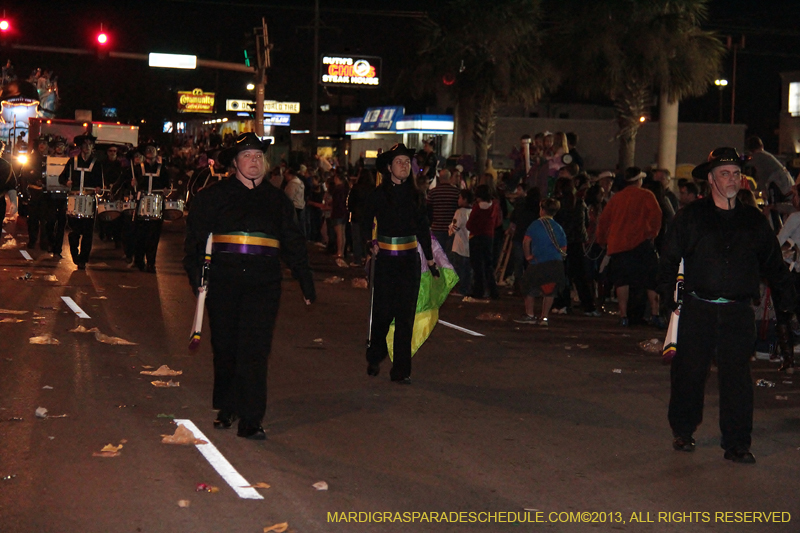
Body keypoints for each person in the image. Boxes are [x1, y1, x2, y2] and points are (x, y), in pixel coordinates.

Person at [658, 147, 795, 464]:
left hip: (737, 312)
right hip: (696, 308)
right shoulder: (691, 217)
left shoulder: (752, 220)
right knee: (689, 374)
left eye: (736, 173)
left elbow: (773, 263)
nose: (732, 178)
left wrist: (788, 301)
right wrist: (670, 299)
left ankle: (737, 444)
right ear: (710, 179)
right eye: (724, 173)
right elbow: (668, 260)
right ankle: (683, 430)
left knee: (737, 380)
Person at [183, 132, 315, 440]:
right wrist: (196, 277)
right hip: (224, 281)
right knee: (226, 348)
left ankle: (251, 419)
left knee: (255, 350)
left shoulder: (277, 200)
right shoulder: (213, 196)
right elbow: (195, 241)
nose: (253, 161)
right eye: (247, 156)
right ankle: (228, 406)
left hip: (263, 283)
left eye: (258, 156)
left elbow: (293, 242)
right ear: (234, 163)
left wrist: (305, 279)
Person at [363, 143, 435, 384]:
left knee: (406, 317)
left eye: (407, 162)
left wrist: (431, 258)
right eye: (399, 162)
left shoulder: (416, 194)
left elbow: (423, 227)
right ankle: (375, 355)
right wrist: (369, 242)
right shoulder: (378, 194)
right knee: (382, 314)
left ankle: (401, 370)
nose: (404, 166)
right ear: (389, 168)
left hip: (408, 262)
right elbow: (365, 220)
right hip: (385, 262)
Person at [596, 167, 663, 327]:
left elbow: (604, 221)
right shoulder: (647, 195)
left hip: (618, 245)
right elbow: (656, 216)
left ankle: (623, 315)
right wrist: (651, 233)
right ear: (639, 180)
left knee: (622, 282)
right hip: (641, 243)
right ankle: (655, 313)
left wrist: (602, 240)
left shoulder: (617, 198)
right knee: (651, 280)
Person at [515, 198, 567, 326]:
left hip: (538, 262)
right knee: (549, 290)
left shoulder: (535, 225)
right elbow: (564, 248)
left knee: (528, 287)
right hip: (555, 262)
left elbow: (526, 241)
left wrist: (528, 256)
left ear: (542, 210)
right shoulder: (559, 227)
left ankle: (530, 314)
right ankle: (544, 317)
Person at [58, 134, 104, 269]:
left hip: (89, 200)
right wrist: (67, 182)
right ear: (80, 147)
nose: (87, 147)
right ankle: (74, 251)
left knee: (88, 231)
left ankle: (83, 259)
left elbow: (101, 186)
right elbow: (61, 178)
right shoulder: (72, 162)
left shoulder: (97, 164)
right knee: (75, 230)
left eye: (89, 145)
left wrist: (98, 189)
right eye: (84, 145)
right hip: (74, 199)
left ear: (92, 147)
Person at [132, 143, 168, 272]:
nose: (150, 151)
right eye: (148, 149)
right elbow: (129, 185)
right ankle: (139, 261)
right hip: (141, 203)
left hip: (156, 205)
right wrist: (133, 184)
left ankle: (151, 262)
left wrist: (166, 190)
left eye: (153, 149)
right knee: (140, 234)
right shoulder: (137, 168)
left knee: (154, 235)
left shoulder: (163, 169)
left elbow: (168, 185)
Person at [466, 184, 501, 300]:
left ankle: (478, 290)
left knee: (477, 266)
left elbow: (469, 224)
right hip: (489, 237)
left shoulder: (477, 208)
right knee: (488, 265)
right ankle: (493, 291)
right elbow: (497, 223)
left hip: (476, 237)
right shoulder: (495, 206)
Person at [427, 168, 461, 257]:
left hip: (437, 227)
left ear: (439, 178)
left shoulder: (432, 192)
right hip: (452, 228)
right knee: (449, 255)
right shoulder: (457, 192)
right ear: (450, 178)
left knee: (437, 255)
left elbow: (428, 210)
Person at [449, 189, 473, 296]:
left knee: (459, 269)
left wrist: (450, 229)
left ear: (465, 199)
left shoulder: (460, 212)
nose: (458, 200)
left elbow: (454, 227)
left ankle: (460, 290)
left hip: (459, 245)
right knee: (467, 270)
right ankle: (466, 289)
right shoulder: (472, 211)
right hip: (469, 245)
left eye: (460, 198)